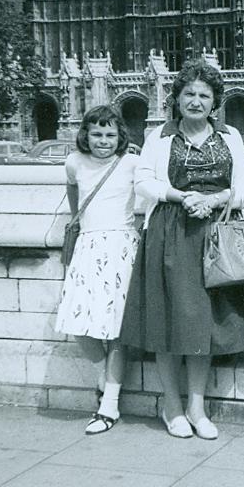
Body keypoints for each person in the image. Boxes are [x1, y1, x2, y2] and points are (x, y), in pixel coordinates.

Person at [121, 59, 244, 440]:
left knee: (205, 323)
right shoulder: (160, 137)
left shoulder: (230, 136)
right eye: (189, 94)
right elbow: (144, 180)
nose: (196, 101)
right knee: (169, 320)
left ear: (214, 102)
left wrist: (217, 198)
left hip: (215, 234)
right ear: (177, 98)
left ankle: (197, 408)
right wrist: (180, 196)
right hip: (171, 232)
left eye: (204, 95)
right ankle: (172, 406)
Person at [55, 105, 139, 435]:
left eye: (110, 135)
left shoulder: (132, 161)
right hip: (88, 247)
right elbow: (73, 188)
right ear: (85, 135)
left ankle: (110, 404)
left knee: (116, 329)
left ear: (120, 137)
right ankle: (105, 372)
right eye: (96, 134)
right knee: (78, 323)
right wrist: (79, 219)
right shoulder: (74, 161)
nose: (103, 141)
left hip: (120, 246)